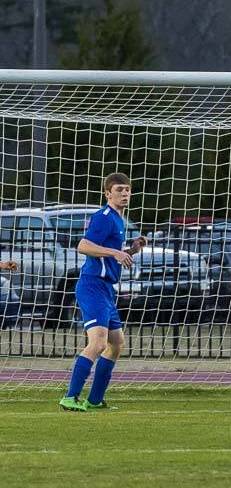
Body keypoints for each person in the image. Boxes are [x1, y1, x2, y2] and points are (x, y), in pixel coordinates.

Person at [59, 173, 147, 412]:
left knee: (117, 343)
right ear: (108, 193)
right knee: (98, 343)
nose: (124, 194)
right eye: (119, 190)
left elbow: (112, 253)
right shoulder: (104, 216)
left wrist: (131, 249)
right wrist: (115, 253)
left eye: (127, 189)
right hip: (92, 286)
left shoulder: (119, 219)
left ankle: (95, 400)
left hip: (106, 289)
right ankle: (70, 397)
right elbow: (83, 246)